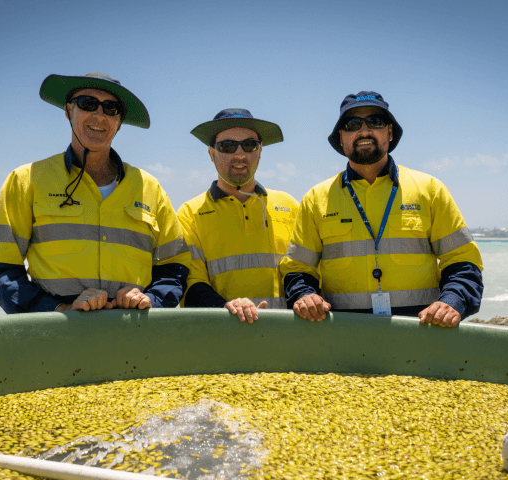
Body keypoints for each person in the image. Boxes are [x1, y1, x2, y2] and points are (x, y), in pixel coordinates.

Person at [0, 72, 190, 313]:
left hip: (134, 338)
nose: (99, 115)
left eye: (111, 108)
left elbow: (175, 265)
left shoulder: (151, 187)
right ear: (69, 111)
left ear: (119, 121)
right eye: (88, 104)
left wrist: (152, 299)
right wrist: (59, 309)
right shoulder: (26, 181)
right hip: (57, 339)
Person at [280, 92, 483, 327]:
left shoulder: (430, 189)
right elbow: (297, 269)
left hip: (422, 331)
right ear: (341, 137)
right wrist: (304, 296)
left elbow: (462, 260)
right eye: (352, 124)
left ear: (389, 131)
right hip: (343, 335)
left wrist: (453, 301)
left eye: (375, 122)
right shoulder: (316, 198)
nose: (364, 131)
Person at [178, 109, 299, 323]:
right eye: (227, 146)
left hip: (283, 335)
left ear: (260, 151)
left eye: (250, 145)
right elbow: (192, 283)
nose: (240, 154)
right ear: (212, 153)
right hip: (221, 334)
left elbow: (303, 273)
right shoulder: (189, 213)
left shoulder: (289, 206)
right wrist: (227, 308)